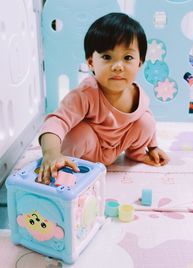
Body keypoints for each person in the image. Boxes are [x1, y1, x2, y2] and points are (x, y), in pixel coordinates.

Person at [38, 12, 169, 184]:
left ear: (140, 62)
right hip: (86, 152)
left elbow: (147, 125)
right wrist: (52, 153)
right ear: (91, 62)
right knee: (80, 132)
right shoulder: (86, 93)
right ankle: (62, 164)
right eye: (107, 57)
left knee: (146, 121)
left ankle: (136, 153)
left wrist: (152, 146)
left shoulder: (138, 95)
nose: (117, 67)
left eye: (127, 57)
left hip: (116, 149)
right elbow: (56, 121)